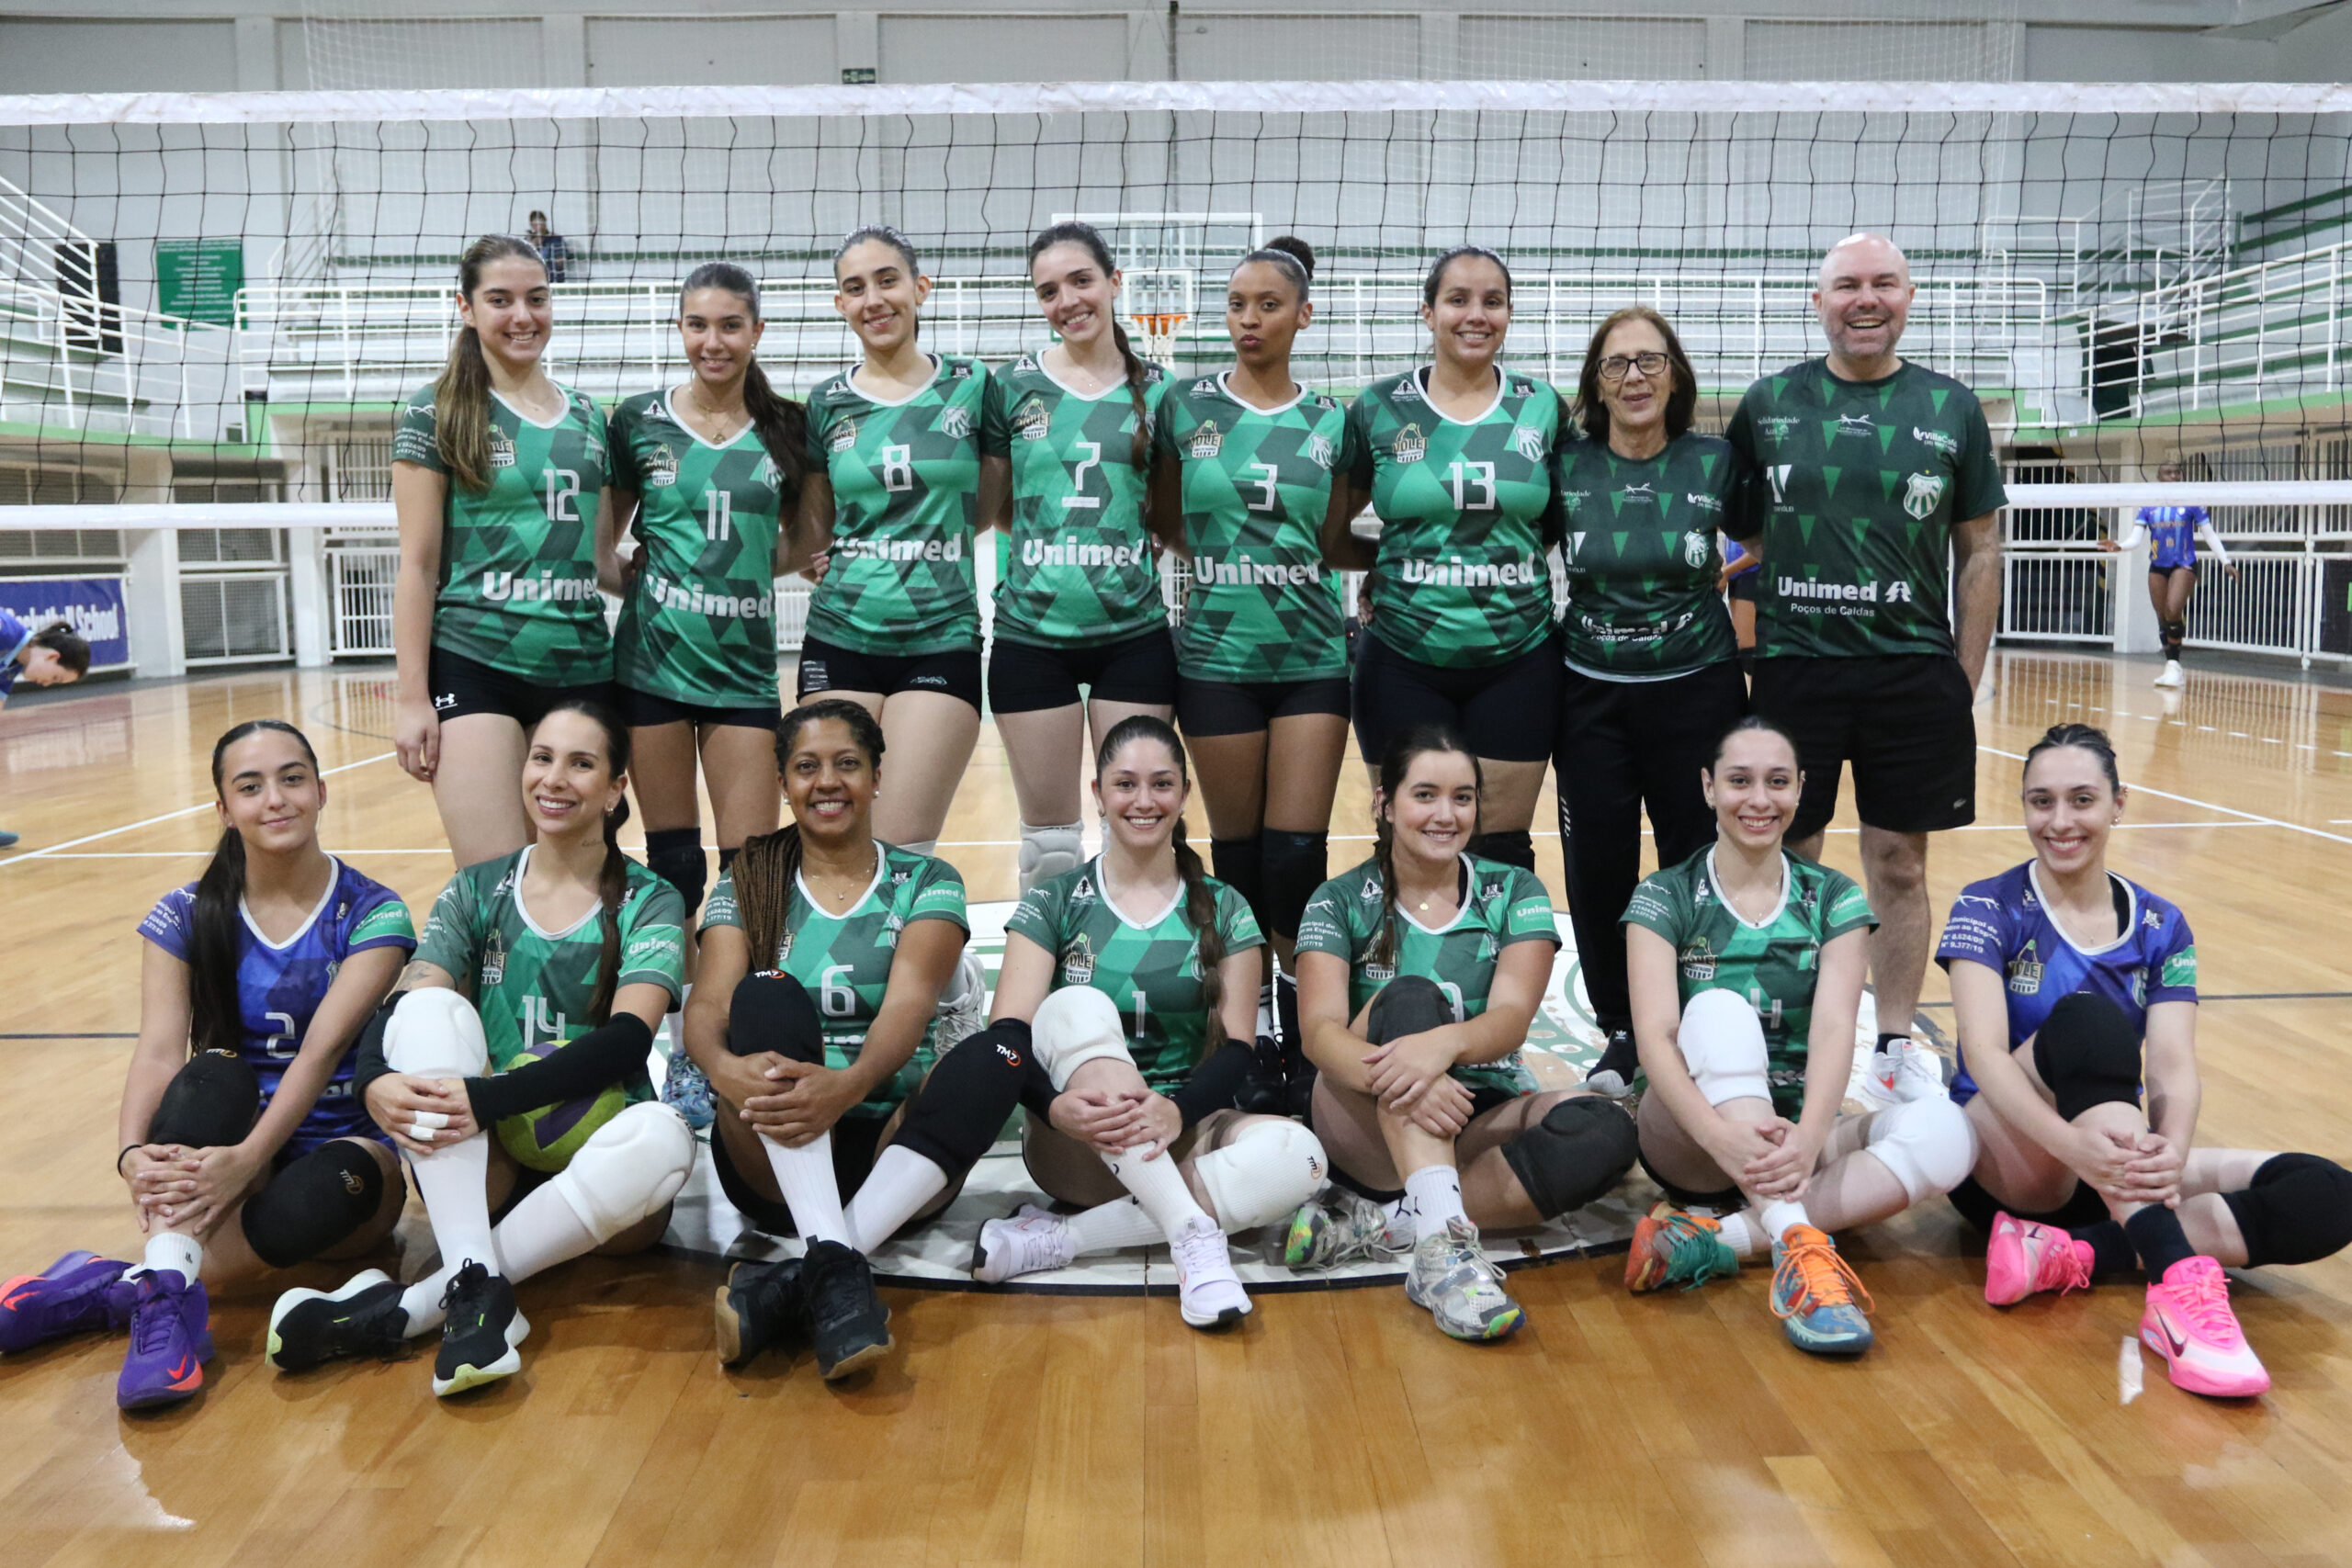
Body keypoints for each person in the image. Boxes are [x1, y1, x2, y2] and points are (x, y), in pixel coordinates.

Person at [264, 699, 694, 1399]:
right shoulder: (476, 888)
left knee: (668, 1138)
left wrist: (484, 1097)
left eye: (582, 763)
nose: (554, 778)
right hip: (486, 1159)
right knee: (431, 1009)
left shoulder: (649, 898)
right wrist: (372, 1078)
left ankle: (416, 1306)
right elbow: (405, 1000)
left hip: (598, 1165)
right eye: (542, 757)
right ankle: (475, 1289)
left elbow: (626, 1043)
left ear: (617, 790)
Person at [0, 720, 413, 1409]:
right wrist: (131, 1152)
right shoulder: (184, 914)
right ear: (223, 808)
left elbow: (321, 1052)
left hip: (346, 1168)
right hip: (231, 1157)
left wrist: (252, 1156)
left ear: (321, 790)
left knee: (327, 1189)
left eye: (292, 778)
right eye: (249, 786)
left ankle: (127, 1287)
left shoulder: (372, 912)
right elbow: (160, 1050)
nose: (275, 799)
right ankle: (164, 1306)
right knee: (211, 1073)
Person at [1938, 724, 2352, 1399]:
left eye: (2082, 799)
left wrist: (2170, 1148)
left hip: (2111, 1163)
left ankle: (2075, 1252)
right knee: (2088, 1020)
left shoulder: (2162, 922)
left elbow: (2171, 1067)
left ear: (2119, 803)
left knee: (2330, 1195)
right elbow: (1984, 1054)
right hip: (2012, 1160)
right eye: (2041, 801)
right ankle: (2175, 1284)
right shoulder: (1989, 903)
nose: (2061, 820)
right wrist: (2075, 1147)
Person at [1724, 231, 2006, 1105]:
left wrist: (1960, 676)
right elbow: (1738, 538)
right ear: (1821, 302)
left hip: (1909, 674)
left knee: (1900, 864)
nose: (1866, 298)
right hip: (1797, 669)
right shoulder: (1769, 405)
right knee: (1783, 854)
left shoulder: (1952, 408)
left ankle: (1891, 1040)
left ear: (1908, 297)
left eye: (1884, 282)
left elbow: (1981, 548)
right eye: (1847, 284)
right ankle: (1789, 1034)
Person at [1617, 716, 1978, 1358]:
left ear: (1801, 789)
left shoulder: (1833, 897)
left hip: (1793, 1135)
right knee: (1719, 1010)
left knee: (1951, 1132)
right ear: (1708, 787)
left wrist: (1811, 1136)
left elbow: (1838, 1026)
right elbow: (1655, 1037)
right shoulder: (1664, 895)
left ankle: (1720, 1239)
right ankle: (1804, 1254)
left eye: (1777, 782)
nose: (1760, 799)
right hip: (1689, 1132)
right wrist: (1717, 1135)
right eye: (1740, 781)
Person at [966, 716, 1327, 1331]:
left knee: (1305, 1159)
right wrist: (1052, 1108)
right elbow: (1005, 1042)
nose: (1143, 800)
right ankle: (1192, 1230)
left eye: (1161, 784)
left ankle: (1060, 1239)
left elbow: (1239, 1048)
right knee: (1075, 1008)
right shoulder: (1054, 901)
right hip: (1075, 1143)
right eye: (1125, 783)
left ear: (1184, 794)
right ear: (1098, 793)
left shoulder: (1226, 906)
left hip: (1182, 1128)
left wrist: (1178, 1111)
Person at [1281, 726, 1639, 1342]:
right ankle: (1447, 1257)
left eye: (1462, 797)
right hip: (1363, 1113)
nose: (1446, 814)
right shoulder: (1339, 900)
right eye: (1425, 795)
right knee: (1411, 996)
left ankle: (1391, 1222)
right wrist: (1413, 1075)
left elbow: (1510, 1020)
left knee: (1608, 1127)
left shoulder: (1513, 890)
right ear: (1384, 803)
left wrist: (1442, 1049)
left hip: (1474, 1105)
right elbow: (1318, 1034)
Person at [684, 699, 973, 1381]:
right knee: (765, 993)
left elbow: (908, 1006)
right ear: (783, 782)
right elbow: (706, 1009)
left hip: (889, 1148)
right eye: (806, 767)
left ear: (877, 775)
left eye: (847, 763)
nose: (828, 782)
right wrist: (724, 1071)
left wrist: (845, 1085)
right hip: (771, 1154)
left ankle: (804, 1274)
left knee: (998, 1055)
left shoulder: (927, 880)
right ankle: (833, 1260)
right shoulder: (748, 881)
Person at [1149, 236, 1351, 1072]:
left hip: (1309, 656)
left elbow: (1337, 536)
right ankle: (1245, 1025)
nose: (1249, 319)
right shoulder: (1183, 408)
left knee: (1296, 854)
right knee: (1233, 858)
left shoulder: (1336, 419)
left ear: (1303, 316)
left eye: (1268, 305)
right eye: (1237, 305)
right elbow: (1164, 517)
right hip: (1216, 659)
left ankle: (1309, 1032)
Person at [1550, 307, 1750, 1099]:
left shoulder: (1719, 461)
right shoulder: (1567, 465)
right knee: (1599, 868)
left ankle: (1699, 1019)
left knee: (1695, 863)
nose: (1634, 378)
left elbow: (1765, 543)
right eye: (1616, 365)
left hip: (1697, 688)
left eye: (1650, 362)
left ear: (1676, 374)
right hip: (1591, 691)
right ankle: (1623, 1032)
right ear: (1596, 384)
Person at [1320, 246, 1564, 874]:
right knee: (1405, 842)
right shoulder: (1378, 409)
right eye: (1457, 299)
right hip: (1403, 660)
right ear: (1428, 312)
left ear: (1510, 312)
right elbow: (1329, 533)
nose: (1475, 314)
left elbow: (1556, 524)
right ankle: (1404, 977)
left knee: (1501, 850)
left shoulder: (1543, 407)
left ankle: (1501, 976)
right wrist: (1396, 560)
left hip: (1518, 660)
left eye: (1493, 300)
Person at [390, 234, 616, 869]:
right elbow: (418, 564)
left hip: (582, 667)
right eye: (500, 300)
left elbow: (599, 557)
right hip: (475, 660)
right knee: (494, 880)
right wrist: (413, 697)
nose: (523, 316)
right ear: (465, 307)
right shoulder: (435, 411)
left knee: (581, 875)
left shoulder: (591, 418)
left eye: (536, 298)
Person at [605, 262, 804, 929]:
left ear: (757, 331)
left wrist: (735, 571)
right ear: (680, 328)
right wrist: (630, 573)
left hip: (742, 670)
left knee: (751, 865)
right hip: (651, 666)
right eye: (697, 325)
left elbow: (805, 545)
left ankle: (731, 1010)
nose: (712, 341)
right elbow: (598, 539)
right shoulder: (640, 420)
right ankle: (678, 1004)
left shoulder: (788, 427)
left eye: (729, 325)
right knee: (674, 863)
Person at [981, 220, 1175, 895]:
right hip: (1032, 635)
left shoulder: (1162, 390)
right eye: (1049, 290)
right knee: (1051, 848)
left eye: (1081, 280)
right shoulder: (1011, 387)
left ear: (1114, 283)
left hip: (1135, 636)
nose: (1067, 299)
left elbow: (1171, 509)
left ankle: (1141, 969)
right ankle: (1053, 987)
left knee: (1144, 823)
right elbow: (999, 503)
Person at [786, 227, 990, 855]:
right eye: (855, 287)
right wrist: (815, 555)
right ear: (839, 304)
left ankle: (928, 955)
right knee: (831, 838)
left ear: (920, 289)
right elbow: (816, 529)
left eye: (887, 280)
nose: (873, 299)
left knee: (901, 846)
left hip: (940, 634)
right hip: (841, 633)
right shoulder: (826, 403)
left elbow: (994, 505)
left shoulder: (975, 386)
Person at [2100, 461, 2235, 690]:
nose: (2174, 476)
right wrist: (2119, 546)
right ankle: (2172, 667)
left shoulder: (2191, 502)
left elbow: (2209, 534)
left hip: (2184, 564)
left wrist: (2226, 561)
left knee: (2174, 609)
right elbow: (2135, 538)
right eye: (2168, 472)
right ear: (2159, 476)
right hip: (2158, 567)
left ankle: (2174, 665)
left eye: (2177, 472)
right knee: (2162, 617)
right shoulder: (2149, 506)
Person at [0, 613, 92, 848]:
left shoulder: (11, 664)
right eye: (55, 677)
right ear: (52, 656)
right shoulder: (5, 632)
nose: (47, 683)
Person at [526, 210, 568, 283]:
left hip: (555, 279)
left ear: (545, 223)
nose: (539, 227)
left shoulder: (556, 239)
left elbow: (560, 262)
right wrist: (533, 245)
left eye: (541, 223)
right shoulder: (527, 241)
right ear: (531, 225)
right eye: (535, 224)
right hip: (534, 279)